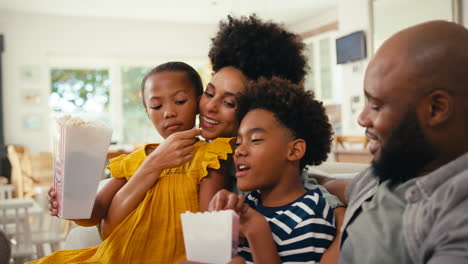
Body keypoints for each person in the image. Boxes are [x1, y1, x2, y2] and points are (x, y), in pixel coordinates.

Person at [32, 61, 234, 263]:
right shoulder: (134, 160)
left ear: (198, 103)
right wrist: (70, 202)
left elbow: (208, 229)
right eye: (156, 106)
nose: (168, 112)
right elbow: (96, 212)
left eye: (180, 101)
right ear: (147, 112)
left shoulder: (210, 157)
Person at [326, 21, 468, 263]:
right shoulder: (395, 165)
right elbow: (334, 185)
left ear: (436, 109)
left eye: (376, 106)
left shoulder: (456, 211)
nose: (362, 119)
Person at [209, 77, 335, 263]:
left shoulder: (310, 216)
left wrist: (257, 230)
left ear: (294, 150)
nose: (239, 151)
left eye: (255, 140)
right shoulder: (249, 203)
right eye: (238, 142)